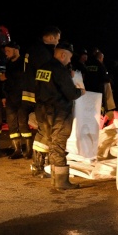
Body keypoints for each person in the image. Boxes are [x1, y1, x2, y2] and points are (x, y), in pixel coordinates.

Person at [34, 41, 86, 190]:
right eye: (69, 57)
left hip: (42, 110)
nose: (70, 61)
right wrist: (80, 91)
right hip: (58, 111)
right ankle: (62, 181)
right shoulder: (59, 70)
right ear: (63, 55)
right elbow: (70, 93)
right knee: (58, 143)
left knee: (50, 140)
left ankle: (55, 178)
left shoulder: (43, 68)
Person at [24, 25, 61, 176]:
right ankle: (39, 166)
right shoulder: (42, 52)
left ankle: (38, 164)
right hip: (43, 97)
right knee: (46, 131)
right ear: (51, 38)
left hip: (38, 96)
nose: (59, 42)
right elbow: (46, 75)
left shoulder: (35, 49)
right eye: (58, 39)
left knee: (43, 130)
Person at [3, 41, 33, 159]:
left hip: (23, 98)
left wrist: (7, 76)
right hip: (11, 98)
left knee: (23, 124)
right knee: (12, 125)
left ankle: (29, 150)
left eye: (8, 50)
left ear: (16, 50)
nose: (6, 53)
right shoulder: (9, 63)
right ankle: (17, 150)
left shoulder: (24, 62)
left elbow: (23, 76)